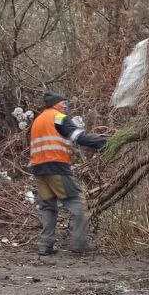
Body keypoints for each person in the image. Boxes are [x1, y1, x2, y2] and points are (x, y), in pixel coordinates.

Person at [28, 93, 106, 256]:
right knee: (76, 203)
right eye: (63, 103)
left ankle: (45, 245)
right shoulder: (58, 118)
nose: (65, 106)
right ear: (55, 104)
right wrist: (104, 143)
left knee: (48, 207)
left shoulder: (38, 120)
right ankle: (79, 244)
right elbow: (78, 137)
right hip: (56, 166)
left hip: (39, 170)